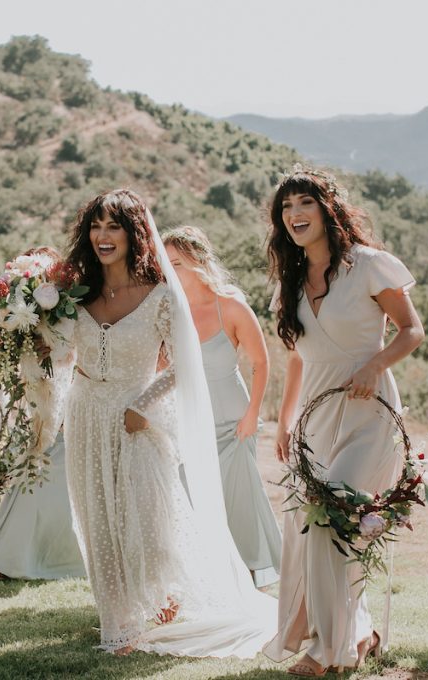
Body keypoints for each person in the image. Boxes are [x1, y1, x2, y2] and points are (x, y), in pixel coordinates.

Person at [63, 189, 276, 657]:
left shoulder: (161, 295)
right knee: (95, 516)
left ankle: (164, 596)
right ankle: (119, 623)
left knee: (145, 522)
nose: (103, 235)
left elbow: (185, 365)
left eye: (113, 226)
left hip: (139, 420)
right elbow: (59, 351)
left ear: (134, 233)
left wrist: (143, 404)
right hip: (84, 415)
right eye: (96, 225)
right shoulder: (74, 292)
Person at [263, 167, 424, 677]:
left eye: (304, 203)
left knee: (334, 522)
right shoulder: (288, 281)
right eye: (286, 208)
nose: (294, 215)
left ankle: (326, 650)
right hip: (313, 415)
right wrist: (284, 421)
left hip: (367, 414)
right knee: (310, 528)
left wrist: (374, 365)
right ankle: (353, 633)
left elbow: (412, 330)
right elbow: (295, 359)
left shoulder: (370, 266)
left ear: (327, 209)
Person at [162, 225, 281, 588]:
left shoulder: (230, 305)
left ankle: (246, 572)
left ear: (199, 261)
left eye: (177, 263)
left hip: (233, 420)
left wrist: (252, 417)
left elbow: (261, 364)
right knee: (191, 496)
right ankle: (204, 575)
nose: (171, 272)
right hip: (188, 422)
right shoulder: (170, 311)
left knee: (238, 497)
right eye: (165, 265)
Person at [0, 248, 85, 582]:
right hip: (37, 394)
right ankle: (8, 557)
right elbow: (12, 355)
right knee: (32, 470)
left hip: (68, 393)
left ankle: (49, 557)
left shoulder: (73, 309)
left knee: (52, 476)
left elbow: (76, 352)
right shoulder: (30, 312)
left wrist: (55, 350)